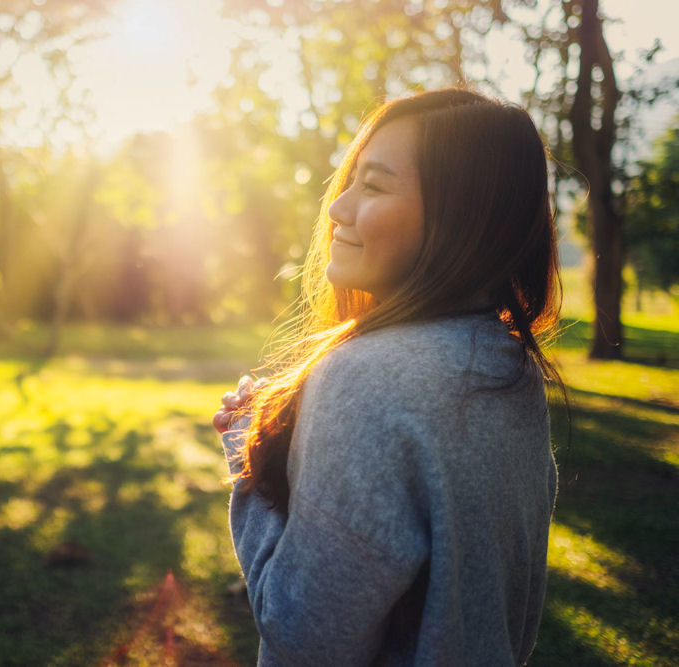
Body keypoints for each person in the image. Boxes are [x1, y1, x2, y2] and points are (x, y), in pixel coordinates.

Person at [214, 88, 565, 666]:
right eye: (350, 180)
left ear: (463, 216)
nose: (337, 209)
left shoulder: (366, 379)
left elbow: (304, 637)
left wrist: (246, 470)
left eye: (373, 186)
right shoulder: (508, 365)